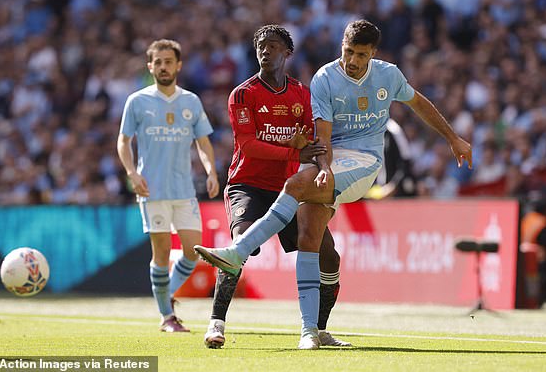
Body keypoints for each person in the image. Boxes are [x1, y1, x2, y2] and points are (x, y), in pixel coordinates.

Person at [195, 19, 472, 349]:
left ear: (373, 54)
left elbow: (417, 103)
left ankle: (235, 254)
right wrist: (321, 163)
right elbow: (320, 136)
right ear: (341, 45)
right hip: (271, 178)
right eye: (348, 52)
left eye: (361, 55)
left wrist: (453, 138)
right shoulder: (320, 79)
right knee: (313, 238)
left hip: (361, 162)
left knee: (298, 187)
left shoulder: (384, 76)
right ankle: (308, 332)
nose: (353, 61)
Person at [202, 25, 351, 349]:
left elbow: (316, 140)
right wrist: (294, 151)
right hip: (249, 185)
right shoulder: (243, 93)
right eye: (260, 46)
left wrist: (315, 157)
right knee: (241, 245)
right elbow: (249, 144)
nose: (265, 51)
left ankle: (319, 329)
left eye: (272, 46)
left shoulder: (302, 94)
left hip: (290, 188)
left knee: (329, 256)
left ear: (287, 53)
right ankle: (216, 323)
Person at [117, 39, 219, 333]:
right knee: (161, 254)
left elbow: (203, 142)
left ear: (178, 65)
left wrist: (211, 170)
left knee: (192, 251)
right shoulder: (137, 101)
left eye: (168, 61)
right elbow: (123, 141)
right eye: (157, 62)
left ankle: (166, 295)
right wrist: (131, 174)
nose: (163, 66)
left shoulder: (191, 101)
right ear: (150, 67)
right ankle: (167, 317)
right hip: (153, 189)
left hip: (184, 190)